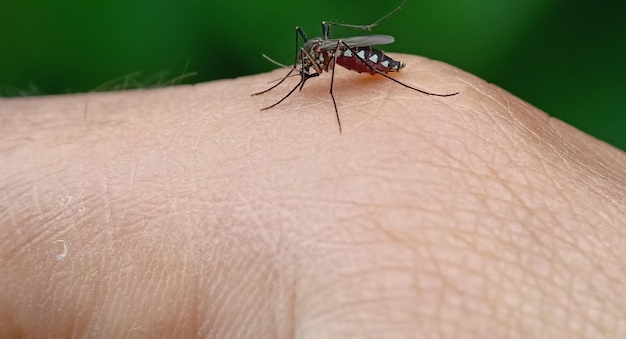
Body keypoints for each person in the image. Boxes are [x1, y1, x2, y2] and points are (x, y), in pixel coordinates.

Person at [1, 55, 624, 337]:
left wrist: (350, 67)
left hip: (370, 59)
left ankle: (389, 62)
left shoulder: (330, 66)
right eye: (303, 71)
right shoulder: (311, 62)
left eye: (303, 71)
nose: (305, 74)